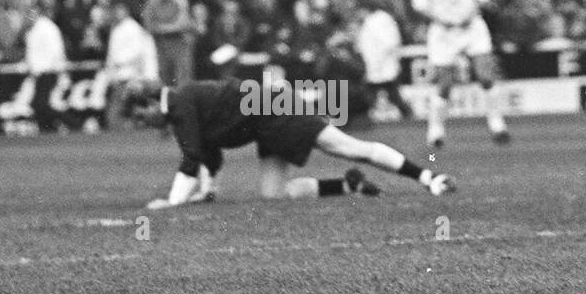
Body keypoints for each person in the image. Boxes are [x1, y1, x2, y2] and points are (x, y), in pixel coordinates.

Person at [125, 77, 454, 208]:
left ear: (150, 103)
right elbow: (210, 156)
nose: (144, 124)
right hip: (266, 120)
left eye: (140, 117)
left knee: (348, 147)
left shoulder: (180, 104)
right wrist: (205, 193)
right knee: (274, 194)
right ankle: (348, 185)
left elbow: (192, 156)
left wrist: (173, 203)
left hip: (276, 109)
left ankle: (428, 177)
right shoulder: (181, 104)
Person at [411, 0, 509, 147]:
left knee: (485, 74)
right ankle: (436, 132)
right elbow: (419, 3)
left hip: (471, 26)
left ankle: (497, 125)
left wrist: (473, 9)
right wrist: (440, 18)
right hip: (443, 30)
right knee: (444, 83)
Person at [355, 0, 413, 122]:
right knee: (389, 92)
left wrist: (377, 63)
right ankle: (407, 113)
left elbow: (386, 43)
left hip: (380, 64)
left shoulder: (374, 21)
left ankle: (406, 113)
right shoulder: (383, 18)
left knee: (375, 90)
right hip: (384, 63)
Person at [103, 1, 159, 129]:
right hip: (121, 73)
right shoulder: (117, 28)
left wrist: (118, 63)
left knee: (119, 106)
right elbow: (111, 54)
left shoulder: (132, 28)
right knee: (125, 105)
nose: (118, 13)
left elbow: (136, 53)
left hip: (129, 73)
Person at [23, 1, 70, 131]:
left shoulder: (47, 27)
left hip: (48, 71)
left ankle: (72, 122)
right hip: (39, 72)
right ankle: (48, 129)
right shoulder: (34, 29)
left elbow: (56, 51)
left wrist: (55, 69)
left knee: (41, 104)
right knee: (39, 104)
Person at [141, 0, 196, 87]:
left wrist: (160, 27)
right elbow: (148, 27)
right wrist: (169, 27)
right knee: (164, 81)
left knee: (183, 82)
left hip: (179, 45)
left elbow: (182, 24)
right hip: (160, 47)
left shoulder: (180, 0)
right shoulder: (151, 4)